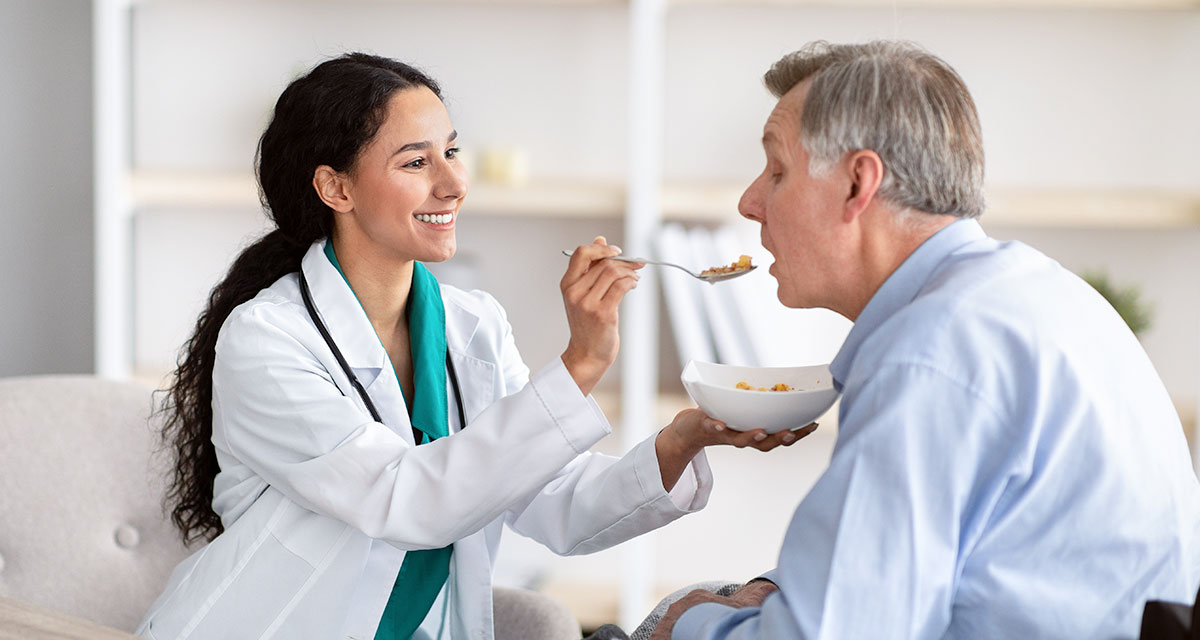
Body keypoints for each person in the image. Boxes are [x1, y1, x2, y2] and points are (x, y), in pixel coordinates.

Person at [137, 53, 812, 640]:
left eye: (451, 152)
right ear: (334, 187)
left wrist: (683, 439)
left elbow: (550, 502)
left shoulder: (472, 324)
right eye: (415, 161)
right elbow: (409, 502)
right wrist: (579, 366)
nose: (454, 183)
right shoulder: (266, 340)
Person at [650, 40, 1200, 639]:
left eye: (777, 170)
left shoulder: (930, 353)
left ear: (859, 183)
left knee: (674, 609)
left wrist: (683, 625)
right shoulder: (1037, 294)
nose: (749, 202)